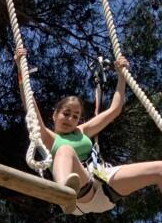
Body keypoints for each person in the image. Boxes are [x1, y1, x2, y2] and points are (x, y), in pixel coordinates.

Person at [14, 47, 162, 214]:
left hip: (105, 182)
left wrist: (121, 76)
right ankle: (62, 191)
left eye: (75, 116)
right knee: (65, 150)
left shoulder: (81, 131)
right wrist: (21, 71)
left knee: (160, 169)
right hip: (81, 194)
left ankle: (66, 190)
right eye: (66, 114)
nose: (70, 119)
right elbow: (31, 109)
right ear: (55, 115)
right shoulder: (48, 138)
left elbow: (114, 110)